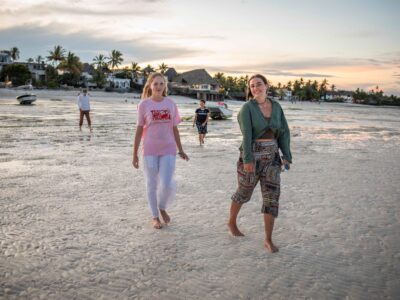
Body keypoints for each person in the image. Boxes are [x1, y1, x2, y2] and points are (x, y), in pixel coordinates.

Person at [228, 74, 292, 253]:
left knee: (272, 197)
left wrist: (286, 155)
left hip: (272, 158)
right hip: (251, 156)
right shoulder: (247, 108)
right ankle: (231, 222)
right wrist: (248, 159)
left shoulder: (277, 107)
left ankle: (268, 240)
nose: (256, 88)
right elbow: (246, 134)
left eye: (259, 84)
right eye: (252, 86)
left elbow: (284, 132)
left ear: (266, 86)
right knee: (243, 192)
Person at [132, 72, 189, 229]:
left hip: (168, 148)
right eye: (155, 84)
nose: (158, 86)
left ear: (165, 86)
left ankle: (162, 206)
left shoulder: (171, 103)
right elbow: (138, 131)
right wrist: (134, 154)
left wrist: (181, 149)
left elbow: (175, 128)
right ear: (150, 85)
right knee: (151, 183)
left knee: (166, 183)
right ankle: (155, 216)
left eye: (161, 84)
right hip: (149, 149)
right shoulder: (144, 105)